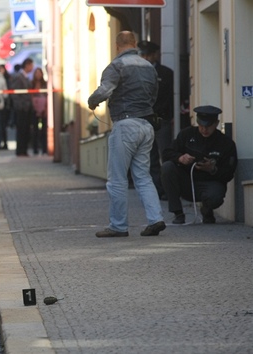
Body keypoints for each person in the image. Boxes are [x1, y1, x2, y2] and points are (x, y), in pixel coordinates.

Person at [87, 31, 166, 237]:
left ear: (117, 46)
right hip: (146, 125)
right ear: (134, 44)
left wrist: (92, 101)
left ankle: (118, 226)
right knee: (143, 176)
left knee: (117, 179)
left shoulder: (116, 66)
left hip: (125, 125)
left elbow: (104, 91)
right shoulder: (149, 66)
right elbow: (155, 94)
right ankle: (156, 219)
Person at [160, 105, 238, 224]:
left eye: (208, 126)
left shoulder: (226, 143)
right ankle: (178, 213)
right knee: (167, 168)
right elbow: (167, 153)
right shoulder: (187, 135)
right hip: (186, 181)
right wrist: (180, 158)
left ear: (216, 123)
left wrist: (213, 169)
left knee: (215, 196)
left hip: (210, 183)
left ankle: (207, 210)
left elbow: (229, 173)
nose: (204, 130)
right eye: (201, 125)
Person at [138, 40, 174, 199]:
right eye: (143, 55)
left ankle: (169, 189)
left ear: (154, 55)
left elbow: (170, 97)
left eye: (148, 55)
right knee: (150, 157)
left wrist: (166, 114)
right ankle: (157, 190)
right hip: (145, 121)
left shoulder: (166, 73)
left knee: (165, 153)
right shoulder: (136, 74)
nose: (145, 58)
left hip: (162, 119)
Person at [10, 58, 35, 156]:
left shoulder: (26, 77)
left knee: (26, 129)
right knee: (21, 129)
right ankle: (20, 150)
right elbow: (15, 93)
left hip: (27, 108)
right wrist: (20, 106)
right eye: (31, 66)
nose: (32, 68)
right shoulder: (19, 77)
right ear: (27, 65)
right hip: (21, 108)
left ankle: (24, 150)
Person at [30, 67, 47, 155]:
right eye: (36, 73)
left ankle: (44, 148)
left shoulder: (45, 84)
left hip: (44, 109)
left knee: (44, 130)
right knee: (35, 130)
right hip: (34, 110)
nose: (38, 75)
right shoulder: (31, 84)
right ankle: (35, 148)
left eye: (39, 73)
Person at [0, 64, 11, 150]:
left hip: (5, 106)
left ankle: (5, 143)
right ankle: (2, 142)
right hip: (2, 104)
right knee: (1, 125)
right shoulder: (2, 78)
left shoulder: (5, 79)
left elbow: (6, 94)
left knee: (3, 125)